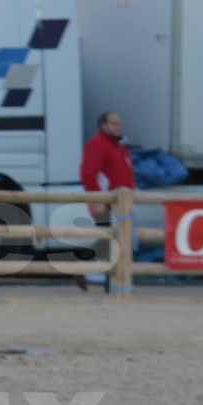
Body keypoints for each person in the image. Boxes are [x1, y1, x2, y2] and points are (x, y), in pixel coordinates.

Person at [79, 110, 135, 292]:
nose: (118, 126)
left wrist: (131, 196)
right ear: (103, 125)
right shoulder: (96, 145)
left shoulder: (120, 147)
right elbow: (88, 173)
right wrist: (97, 199)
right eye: (114, 123)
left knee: (116, 240)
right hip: (106, 201)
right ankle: (93, 273)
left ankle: (96, 274)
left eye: (119, 123)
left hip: (122, 203)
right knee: (108, 237)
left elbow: (126, 173)